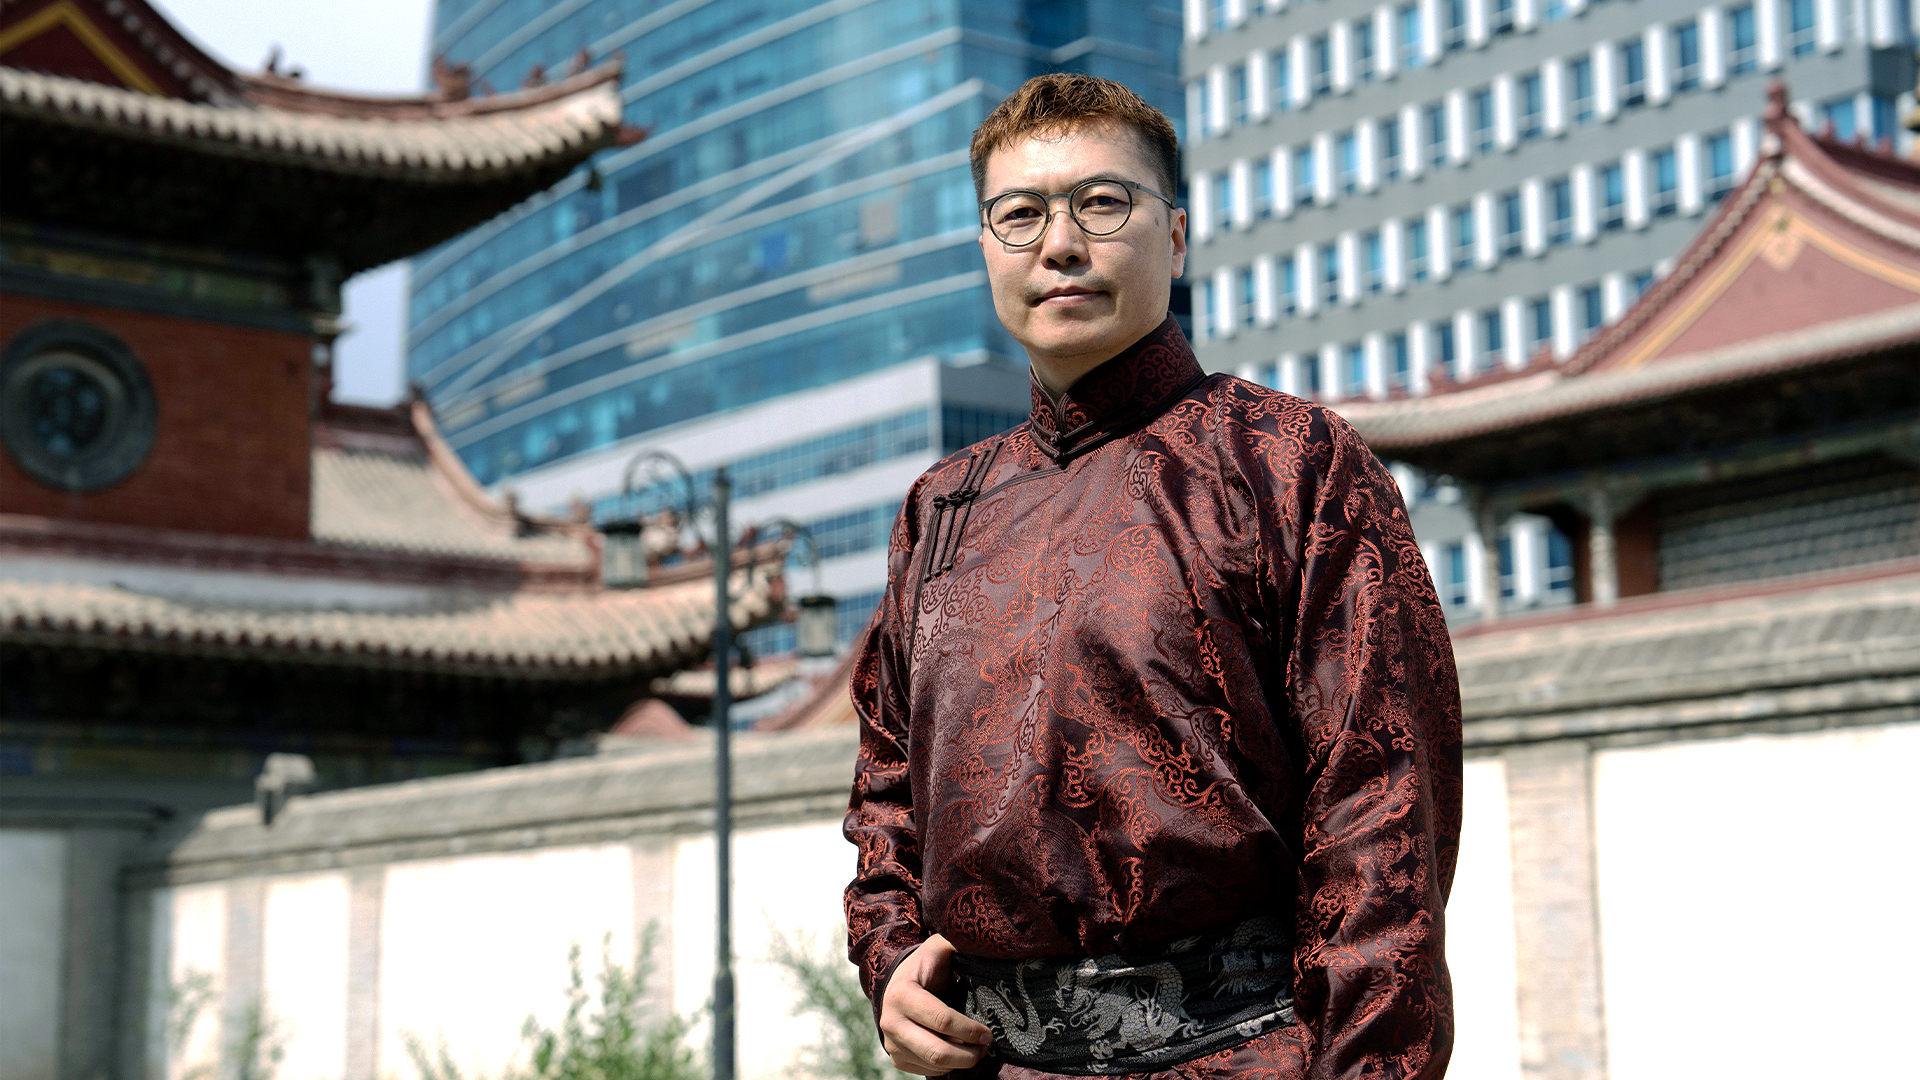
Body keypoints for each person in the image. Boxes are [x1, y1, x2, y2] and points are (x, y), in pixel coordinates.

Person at [843, 73, 1463, 1080]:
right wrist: (891, 956)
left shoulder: (1287, 460)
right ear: (986, 247)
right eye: (1019, 214)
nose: (1059, 243)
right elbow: (886, 788)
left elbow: (1383, 813)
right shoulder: (941, 507)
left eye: (1101, 202)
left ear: (1175, 237)